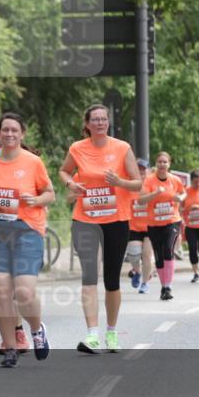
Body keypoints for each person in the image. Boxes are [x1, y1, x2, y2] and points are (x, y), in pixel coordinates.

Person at [0, 113, 54, 368]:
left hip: (27, 229)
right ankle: (11, 348)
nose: (9, 134)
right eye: (5, 130)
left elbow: (50, 193)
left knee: (24, 291)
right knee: (2, 291)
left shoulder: (33, 162)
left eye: (14, 130)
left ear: (22, 134)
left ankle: (37, 330)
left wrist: (36, 201)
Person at [59, 104, 142, 354]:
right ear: (87, 124)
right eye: (95, 119)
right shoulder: (77, 148)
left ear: (108, 123)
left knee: (112, 279)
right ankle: (92, 334)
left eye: (103, 119)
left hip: (116, 219)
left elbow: (137, 183)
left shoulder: (122, 148)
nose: (100, 123)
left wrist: (120, 182)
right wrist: (72, 183)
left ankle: (112, 332)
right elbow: (64, 171)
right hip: (86, 219)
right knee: (89, 275)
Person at [140, 152, 186, 299]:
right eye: (159, 162)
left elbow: (183, 193)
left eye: (165, 162)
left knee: (168, 249)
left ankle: (168, 286)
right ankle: (163, 287)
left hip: (172, 220)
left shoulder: (175, 180)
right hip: (154, 223)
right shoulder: (148, 181)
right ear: (156, 164)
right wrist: (154, 194)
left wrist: (180, 197)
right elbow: (141, 200)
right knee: (159, 256)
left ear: (169, 164)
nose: (162, 164)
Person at [126, 158, 154, 294]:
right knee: (134, 255)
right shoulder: (130, 185)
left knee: (147, 255)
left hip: (150, 225)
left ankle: (145, 283)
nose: (141, 171)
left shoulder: (152, 185)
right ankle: (136, 271)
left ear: (148, 171)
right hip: (134, 226)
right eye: (138, 169)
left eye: (143, 169)